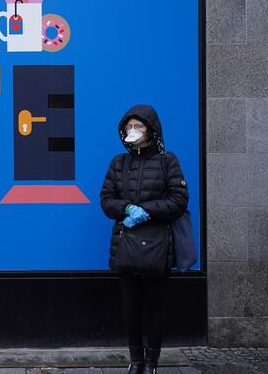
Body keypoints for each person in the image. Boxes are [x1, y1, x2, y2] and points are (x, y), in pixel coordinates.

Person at [100, 104, 189, 374]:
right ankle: (136, 361)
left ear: (151, 130)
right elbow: (106, 200)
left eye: (138, 126)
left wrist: (147, 211)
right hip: (126, 245)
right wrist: (126, 208)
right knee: (131, 308)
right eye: (129, 126)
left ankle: (152, 363)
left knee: (155, 308)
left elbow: (179, 200)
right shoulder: (118, 163)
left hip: (158, 246)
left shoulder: (167, 161)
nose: (133, 131)